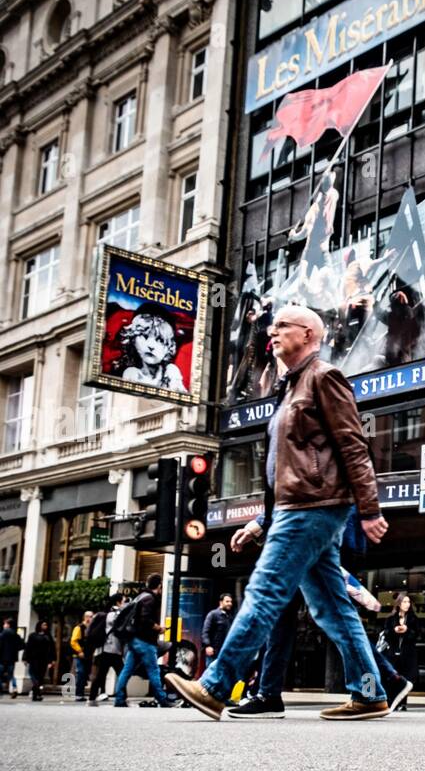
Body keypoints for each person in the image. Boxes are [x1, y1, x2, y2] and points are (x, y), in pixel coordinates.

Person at [168, 306, 390, 721]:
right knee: (333, 609)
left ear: (308, 334)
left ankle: (215, 686)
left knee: (265, 591)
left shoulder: (324, 378)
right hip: (297, 507)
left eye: (282, 325)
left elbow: (354, 446)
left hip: (312, 506)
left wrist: (369, 508)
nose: (272, 331)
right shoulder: (289, 386)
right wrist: (260, 521)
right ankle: (369, 693)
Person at [228, 569, 412, 718]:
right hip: (310, 549)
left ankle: (375, 689)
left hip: (311, 547)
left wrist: (262, 521)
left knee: (341, 621)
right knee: (283, 621)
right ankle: (268, 695)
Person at [113, 576, 174, 709]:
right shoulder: (149, 598)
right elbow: (145, 619)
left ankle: (119, 699)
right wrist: (158, 628)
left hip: (134, 639)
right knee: (153, 670)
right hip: (145, 641)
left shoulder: (140, 596)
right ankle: (162, 700)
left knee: (127, 670)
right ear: (159, 585)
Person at [112, 304, 185, 394]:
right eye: (145, 336)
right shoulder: (128, 372)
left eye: (160, 341)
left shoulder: (171, 373)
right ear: (133, 338)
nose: (151, 346)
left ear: (169, 347)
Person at [380, 592, 420, 711]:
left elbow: (418, 634)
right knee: (393, 677)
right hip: (392, 652)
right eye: (404, 602)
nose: (407, 604)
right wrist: (394, 630)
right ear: (399, 603)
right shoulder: (391, 618)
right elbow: (386, 634)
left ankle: (403, 703)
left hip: (408, 653)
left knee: (407, 678)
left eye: (408, 602)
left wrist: (407, 630)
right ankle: (392, 702)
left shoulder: (413, 618)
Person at [88, 593, 125, 706]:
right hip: (110, 649)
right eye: (123, 601)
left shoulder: (108, 614)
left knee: (101, 675)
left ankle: (92, 698)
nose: (124, 604)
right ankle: (122, 698)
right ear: (118, 602)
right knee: (122, 673)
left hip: (107, 650)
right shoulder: (113, 614)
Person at [24, 621, 56, 701]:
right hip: (33, 659)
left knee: (40, 676)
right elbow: (28, 647)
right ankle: (37, 692)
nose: (45, 626)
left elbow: (52, 649)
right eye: (44, 624)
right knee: (33, 675)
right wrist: (25, 658)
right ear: (39, 625)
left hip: (43, 660)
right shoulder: (32, 635)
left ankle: (36, 695)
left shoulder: (48, 636)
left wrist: (52, 660)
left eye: (46, 625)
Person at [202, 594, 235, 661]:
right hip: (213, 652)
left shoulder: (230, 617)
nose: (230, 603)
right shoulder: (213, 614)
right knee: (211, 671)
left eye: (231, 602)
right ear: (221, 602)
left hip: (226, 652)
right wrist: (208, 646)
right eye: (227, 601)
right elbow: (205, 631)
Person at [69, 611, 93, 701]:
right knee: (81, 673)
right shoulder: (79, 628)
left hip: (88, 655)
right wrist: (79, 651)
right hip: (80, 655)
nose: (89, 618)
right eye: (88, 616)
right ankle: (79, 694)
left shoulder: (91, 628)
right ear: (84, 617)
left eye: (91, 617)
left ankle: (81, 693)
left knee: (85, 674)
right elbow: (73, 641)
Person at [0, 617, 24, 697]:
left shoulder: (3, 634)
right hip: (12, 658)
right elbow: (22, 645)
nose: (4, 625)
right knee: (11, 675)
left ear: (8, 625)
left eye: (5, 624)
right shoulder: (16, 634)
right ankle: (14, 688)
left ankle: (1, 690)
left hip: (2, 658)